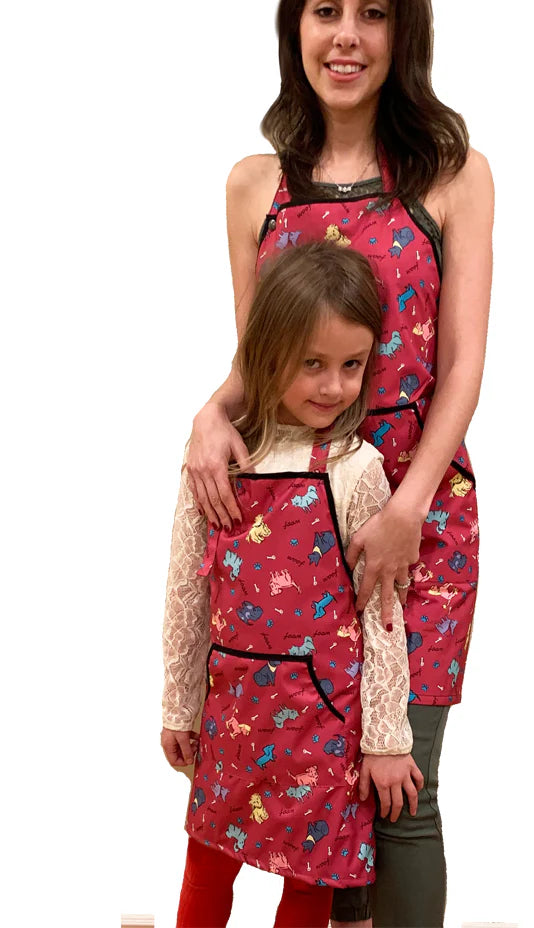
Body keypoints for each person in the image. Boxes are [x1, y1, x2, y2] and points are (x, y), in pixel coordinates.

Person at [185, 0, 494, 928]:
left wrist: (406, 510)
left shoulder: (452, 174)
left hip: (417, 519)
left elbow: (460, 369)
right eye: (326, 11)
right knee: (312, 800)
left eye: (373, 12)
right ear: (297, 28)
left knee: (398, 791)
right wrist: (207, 416)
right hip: (289, 532)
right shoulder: (256, 186)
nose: (347, 35)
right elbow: (257, 363)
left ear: (404, 32)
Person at [162, 241, 424, 928]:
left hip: (323, 724)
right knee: (206, 863)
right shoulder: (214, 460)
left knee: (311, 880)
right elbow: (186, 595)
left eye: (351, 365)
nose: (333, 386)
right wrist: (179, 706)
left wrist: (386, 738)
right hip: (232, 713)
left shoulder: (356, 468)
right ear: (267, 351)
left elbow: (382, 613)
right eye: (312, 363)